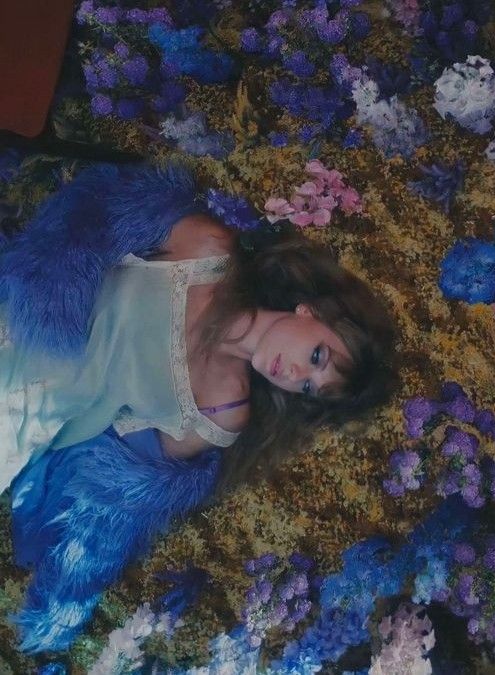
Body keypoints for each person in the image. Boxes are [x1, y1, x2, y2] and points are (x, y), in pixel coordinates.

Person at [0, 162, 398, 652]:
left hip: (15, 426)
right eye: (317, 356)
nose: (295, 375)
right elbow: (87, 219)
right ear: (309, 312)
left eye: (310, 388)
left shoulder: (220, 411)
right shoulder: (208, 251)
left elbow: (111, 492)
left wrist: (70, 583)